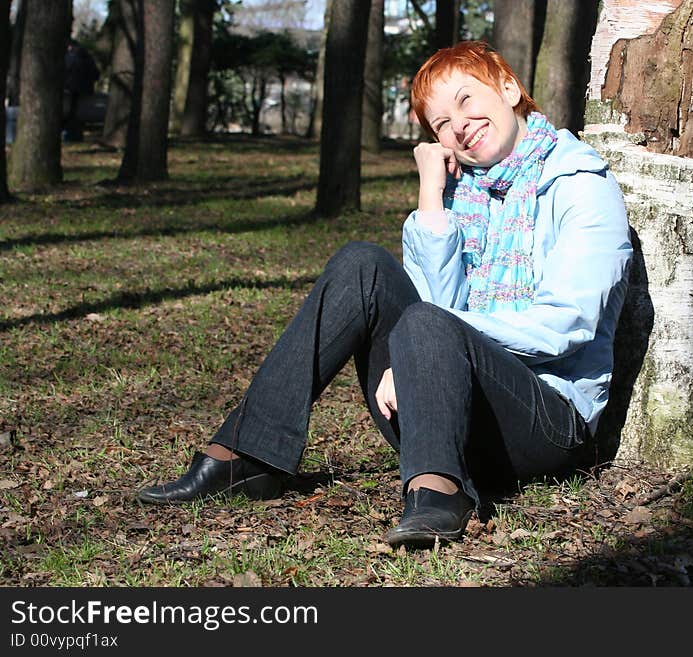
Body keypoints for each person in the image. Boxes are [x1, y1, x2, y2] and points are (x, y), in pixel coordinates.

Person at [137, 41, 633, 549]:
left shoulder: (578, 183)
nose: (457, 126)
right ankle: (245, 458)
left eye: (466, 100)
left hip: (545, 423)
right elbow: (434, 305)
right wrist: (431, 193)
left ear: (509, 88)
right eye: (439, 124)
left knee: (426, 321)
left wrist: (434, 338)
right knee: (361, 265)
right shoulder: (465, 192)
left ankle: (439, 494)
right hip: (449, 410)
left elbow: (567, 324)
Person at [63, 39, 99, 142]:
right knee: (79, 116)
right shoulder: (89, 58)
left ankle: (70, 136)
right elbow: (96, 74)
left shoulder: (69, 58)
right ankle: (77, 135)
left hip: (71, 90)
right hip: (86, 91)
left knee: (70, 115)